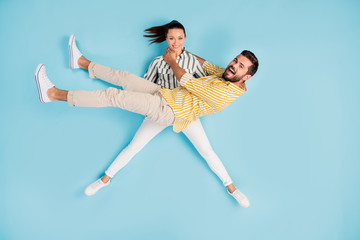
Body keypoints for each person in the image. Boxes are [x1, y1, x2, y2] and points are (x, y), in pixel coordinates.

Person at [35, 23, 258, 208]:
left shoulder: (225, 93)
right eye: (235, 61)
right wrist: (182, 52)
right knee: (123, 77)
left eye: (240, 67)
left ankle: (53, 94)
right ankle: (81, 62)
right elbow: (206, 64)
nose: (233, 66)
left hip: (169, 110)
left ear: (246, 77)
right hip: (167, 94)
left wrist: (171, 60)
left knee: (114, 96)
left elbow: (186, 80)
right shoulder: (225, 74)